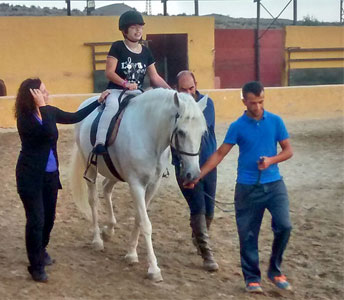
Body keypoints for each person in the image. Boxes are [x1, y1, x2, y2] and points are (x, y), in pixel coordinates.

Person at [185, 81, 293, 293]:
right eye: (253, 103)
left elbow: (288, 150)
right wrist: (198, 176)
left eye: (261, 101)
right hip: (246, 187)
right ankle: (252, 278)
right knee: (248, 234)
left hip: (274, 185)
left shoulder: (276, 121)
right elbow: (219, 154)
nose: (258, 107)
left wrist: (271, 160)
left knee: (285, 226)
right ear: (244, 101)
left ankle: (275, 270)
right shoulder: (237, 126)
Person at [15, 78, 106, 282]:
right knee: (36, 220)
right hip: (30, 176)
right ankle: (35, 265)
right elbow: (47, 131)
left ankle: (41, 249)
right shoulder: (25, 118)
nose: (47, 94)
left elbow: (74, 116)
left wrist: (98, 101)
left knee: (49, 219)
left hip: (50, 176)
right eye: (43, 91)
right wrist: (42, 107)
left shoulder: (49, 111)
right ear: (33, 95)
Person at [93, 10, 170, 155]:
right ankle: (100, 142)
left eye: (140, 27)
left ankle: (157, 152)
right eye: (134, 27)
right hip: (117, 91)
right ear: (124, 30)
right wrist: (125, 83)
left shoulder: (146, 52)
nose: (138, 30)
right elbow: (109, 72)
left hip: (137, 92)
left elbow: (154, 77)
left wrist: (170, 90)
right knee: (112, 107)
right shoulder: (118, 47)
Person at [172, 70, 219, 272]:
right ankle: (206, 253)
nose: (189, 93)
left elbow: (198, 126)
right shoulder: (173, 109)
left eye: (192, 88)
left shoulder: (207, 105)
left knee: (210, 211)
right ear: (177, 89)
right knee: (197, 207)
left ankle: (198, 237)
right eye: (184, 89)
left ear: (196, 84)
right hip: (186, 166)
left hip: (208, 165)